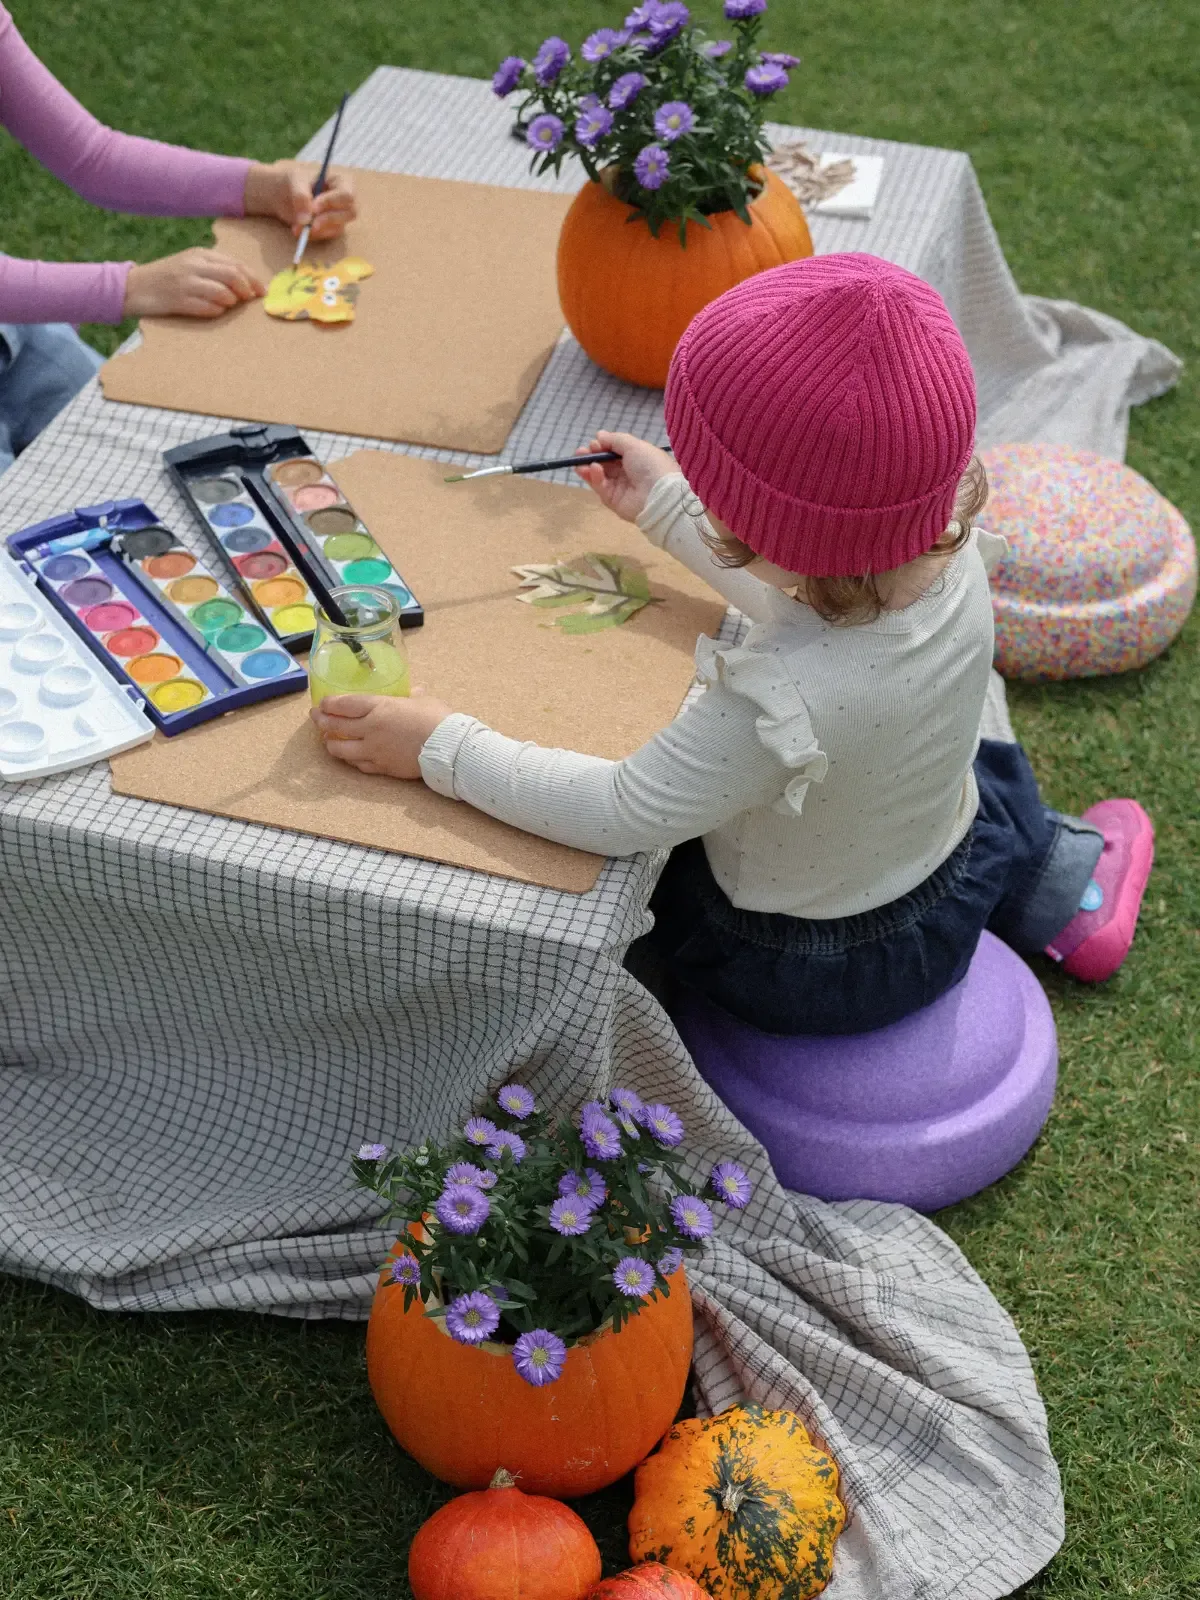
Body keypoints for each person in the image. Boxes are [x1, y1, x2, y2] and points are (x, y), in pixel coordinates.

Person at [311, 254, 1154, 1036]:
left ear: (769, 528)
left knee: (646, 887)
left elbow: (620, 813)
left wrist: (441, 747)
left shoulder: (778, 700)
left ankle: (1053, 898)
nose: (699, 495)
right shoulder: (949, 552)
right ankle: (1063, 887)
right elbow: (822, 589)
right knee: (983, 763)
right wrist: (669, 507)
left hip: (819, 963)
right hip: (949, 855)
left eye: (714, 494)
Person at [0, 4, 354, 472]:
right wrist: (130, 288)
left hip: (16, 334)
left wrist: (261, 188)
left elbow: (91, 156)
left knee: (140, 459)